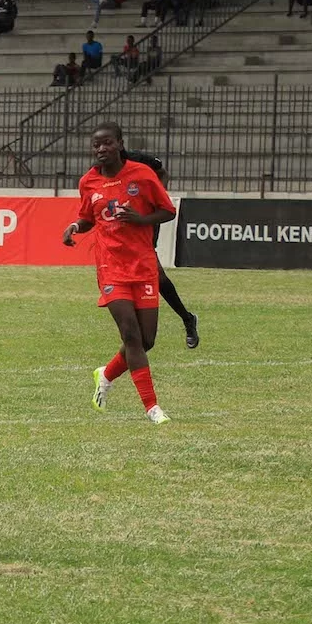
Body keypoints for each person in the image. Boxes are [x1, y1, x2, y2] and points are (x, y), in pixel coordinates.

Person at [61, 122, 176, 425]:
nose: (101, 149)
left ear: (120, 144)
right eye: (96, 145)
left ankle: (106, 374)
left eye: (107, 143)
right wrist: (75, 226)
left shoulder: (142, 175)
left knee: (146, 339)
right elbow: (87, 218)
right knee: (130, 334)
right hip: (111, 268)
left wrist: (141, 219)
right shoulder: (88, 182)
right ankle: (152, 408)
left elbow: (168, 211)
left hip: (142, 265)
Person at [118, 146, 200, 347]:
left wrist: (156, 197)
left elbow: (163, 173)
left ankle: (187, 319)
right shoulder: (103, 170)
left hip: (145, 221)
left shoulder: (138, 160)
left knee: (157, 276)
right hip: (121, 227)